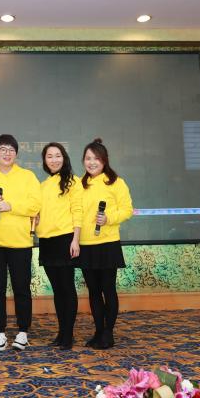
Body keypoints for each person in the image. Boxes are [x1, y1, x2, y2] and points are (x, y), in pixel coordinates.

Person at [0, 134, 41, 351]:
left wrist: (10, 205)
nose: (7, 153)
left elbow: (35, 205)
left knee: (22, 288)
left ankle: (23, 331)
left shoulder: (27, 176)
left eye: (11, 150)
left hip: (20, 242)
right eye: (3, 149)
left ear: (16, 154)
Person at [76, 138, 133, 350]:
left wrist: (109, 218)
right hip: (86, 244)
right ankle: (98, 331)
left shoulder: (115, 182)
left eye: (96, 159)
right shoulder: (80, 184)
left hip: (107, 243)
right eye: (88, 158)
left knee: (108, 289)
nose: (91, 163)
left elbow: (127, 210)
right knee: (93, 291)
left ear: (104, 160)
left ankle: (108, 332)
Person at [35, 142, 82, 350]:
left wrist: (76, 239)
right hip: (47, 241)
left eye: (57, 155)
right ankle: (61, 332)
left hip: (65, 239)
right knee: (57, 290)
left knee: (67, 288)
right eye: (49, 156)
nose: (54, 160)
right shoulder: (43, 185)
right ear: (45, 161)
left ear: (64, 158)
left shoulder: (73, 181)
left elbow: (78, 211)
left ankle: (68, 335)